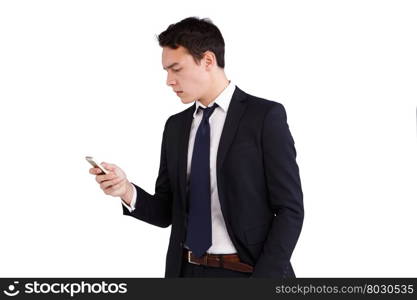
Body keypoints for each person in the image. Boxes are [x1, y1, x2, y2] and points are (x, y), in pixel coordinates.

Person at [89, 17, 304, 278]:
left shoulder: (264, 117)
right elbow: (166, 212)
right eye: (166, 71)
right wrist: (125, 190)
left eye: (176, 69)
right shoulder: (176, 127)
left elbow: (289, 210)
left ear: (208, 61)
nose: (169, 81)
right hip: (187, 272)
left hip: (248, 273)